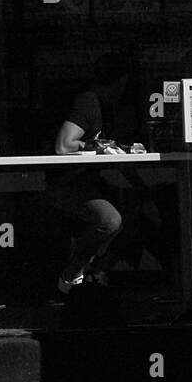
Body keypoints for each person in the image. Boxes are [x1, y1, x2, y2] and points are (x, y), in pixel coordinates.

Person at [51, 54, 128, 294]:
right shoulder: (88, 102)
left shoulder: (105, 107)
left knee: (138, 211)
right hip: (65, 183)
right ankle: (71, 275)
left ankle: (97, 273)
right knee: (110, 219)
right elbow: (63, 145)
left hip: (91, 182)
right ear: (121, 82)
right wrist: (90, 146)